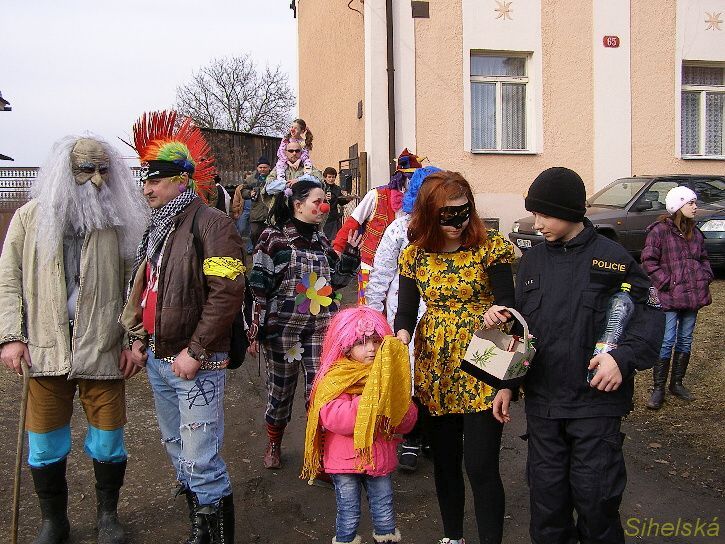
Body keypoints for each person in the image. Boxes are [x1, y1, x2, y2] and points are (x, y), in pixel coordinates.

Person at [488, 167, 665, 544]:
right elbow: (522, 331)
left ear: (570, 211)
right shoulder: (532, 262)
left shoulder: (613, 259)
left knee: (596, 505)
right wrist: (506, 384)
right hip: (544, 409)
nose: (537, 225)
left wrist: (622, 359)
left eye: (544, 215)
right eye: (534, 214)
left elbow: (649, 315)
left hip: (595, 408)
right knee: (547, 511)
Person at [0, 135, 148, 544]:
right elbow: (8, 279)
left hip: (103, 347)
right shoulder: (29, 219)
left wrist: (133, 340)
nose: (97, 179)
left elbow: (135, 286)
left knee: (109, 441)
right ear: (64, 172)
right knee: (44, 444)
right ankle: (54, 521)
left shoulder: (119, 222)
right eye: (86, 169)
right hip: (44, 348)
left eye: (104, 170)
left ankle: (107, 517)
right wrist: (11, 337)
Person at [120, 110, 245, 544]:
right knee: (177, 449)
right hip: (159, 359)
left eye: (155, 180)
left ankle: (215, 537)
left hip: (196, 362)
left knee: (200, 457)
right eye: (145, 180)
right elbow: (147, 289)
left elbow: (227, 292)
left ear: (182, 181)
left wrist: (196, 350)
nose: (146, 188)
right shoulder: (158, 228)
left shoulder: (212, 223)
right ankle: (200, 530)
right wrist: (139, 339)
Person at [394, 170, 516, 544]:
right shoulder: (414, 256)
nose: (456, 223)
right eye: (447, 215)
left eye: (463, 212)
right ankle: (452, 537)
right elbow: (405, 312)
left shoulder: (490, 248)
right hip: (436, 366)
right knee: (445, 462)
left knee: (480, 465)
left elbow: (510, 306)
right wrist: (399, 337)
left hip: (485, 354)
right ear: (429, 214)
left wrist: (500, 311)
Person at [248, 177, 361, 470]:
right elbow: (258, 284)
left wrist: (350, 255)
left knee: (320, 390)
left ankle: (317, 452)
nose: (324, 207)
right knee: (281, 390)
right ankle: (274, 442)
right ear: (298, 205)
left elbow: (336, 282)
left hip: (320, 328)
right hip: (283, 331)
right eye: (317, 201)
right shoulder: (273, 238)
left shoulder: (321, 242)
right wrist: (256, 328)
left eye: (325, 202)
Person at [301, 306, 418, 544]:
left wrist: (398, 404)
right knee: (348, 512)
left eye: (376, 341)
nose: (371, 348)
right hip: (344, 462)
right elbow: (334, 418)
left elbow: (404, 422)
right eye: (362, 343)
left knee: (384, 510)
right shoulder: (335, 378)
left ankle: (386, 540)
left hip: (378, 459)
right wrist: (370, 403)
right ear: (346, 346)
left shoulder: (387, 377)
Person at [366, 165, 440, 471]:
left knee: (435, 372)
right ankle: (410, 435)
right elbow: (381, 273)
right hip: (405, 314)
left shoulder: (448, 229)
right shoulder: (399, 229)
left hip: (439, 315)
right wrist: (373, 315)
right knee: (408, 374)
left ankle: (432, 433)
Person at [641, 186, 713, 409]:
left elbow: (703, 259)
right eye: (690, 203)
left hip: (692, 296)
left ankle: (677, 383)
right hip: (670, 297)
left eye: (695, 202)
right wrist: (666, 283)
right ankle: (658, 389)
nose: (695, 207)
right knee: (667, 340)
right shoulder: (659, 231)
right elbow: (648, 261)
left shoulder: (696, 233)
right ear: (678, 205)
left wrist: (704, 277)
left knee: (685, 339)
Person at [334, 148, 424, 304]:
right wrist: (337, 250)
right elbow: (352, 223)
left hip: (402, 270)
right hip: (371, 266)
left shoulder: (420, 202)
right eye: (411, 177)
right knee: (369, 312)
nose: (414, 183)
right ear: (401, 176)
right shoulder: (376, 195)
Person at [233, 157, 271, 252]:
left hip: (270, 212)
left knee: (269, 235)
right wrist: (249, 193)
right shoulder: (251, 179)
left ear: (269, 168)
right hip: (256, 212)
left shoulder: (274, 177)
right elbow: (243, 190)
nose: (262, 169)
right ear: (257, 168)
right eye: (260, 167)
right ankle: (256, 251)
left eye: (265, 167)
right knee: (254, 233)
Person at [321, 167, 355, 240]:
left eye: (333, 177)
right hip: (323, 218)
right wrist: (323, 198)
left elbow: (340, 202)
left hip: (334, 218)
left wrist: (348, 199)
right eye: (329, 177)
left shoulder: (337, 189)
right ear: (325, 177)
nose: (331, 179)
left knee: (335, 239)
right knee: (323, 239)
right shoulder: (321, 187)